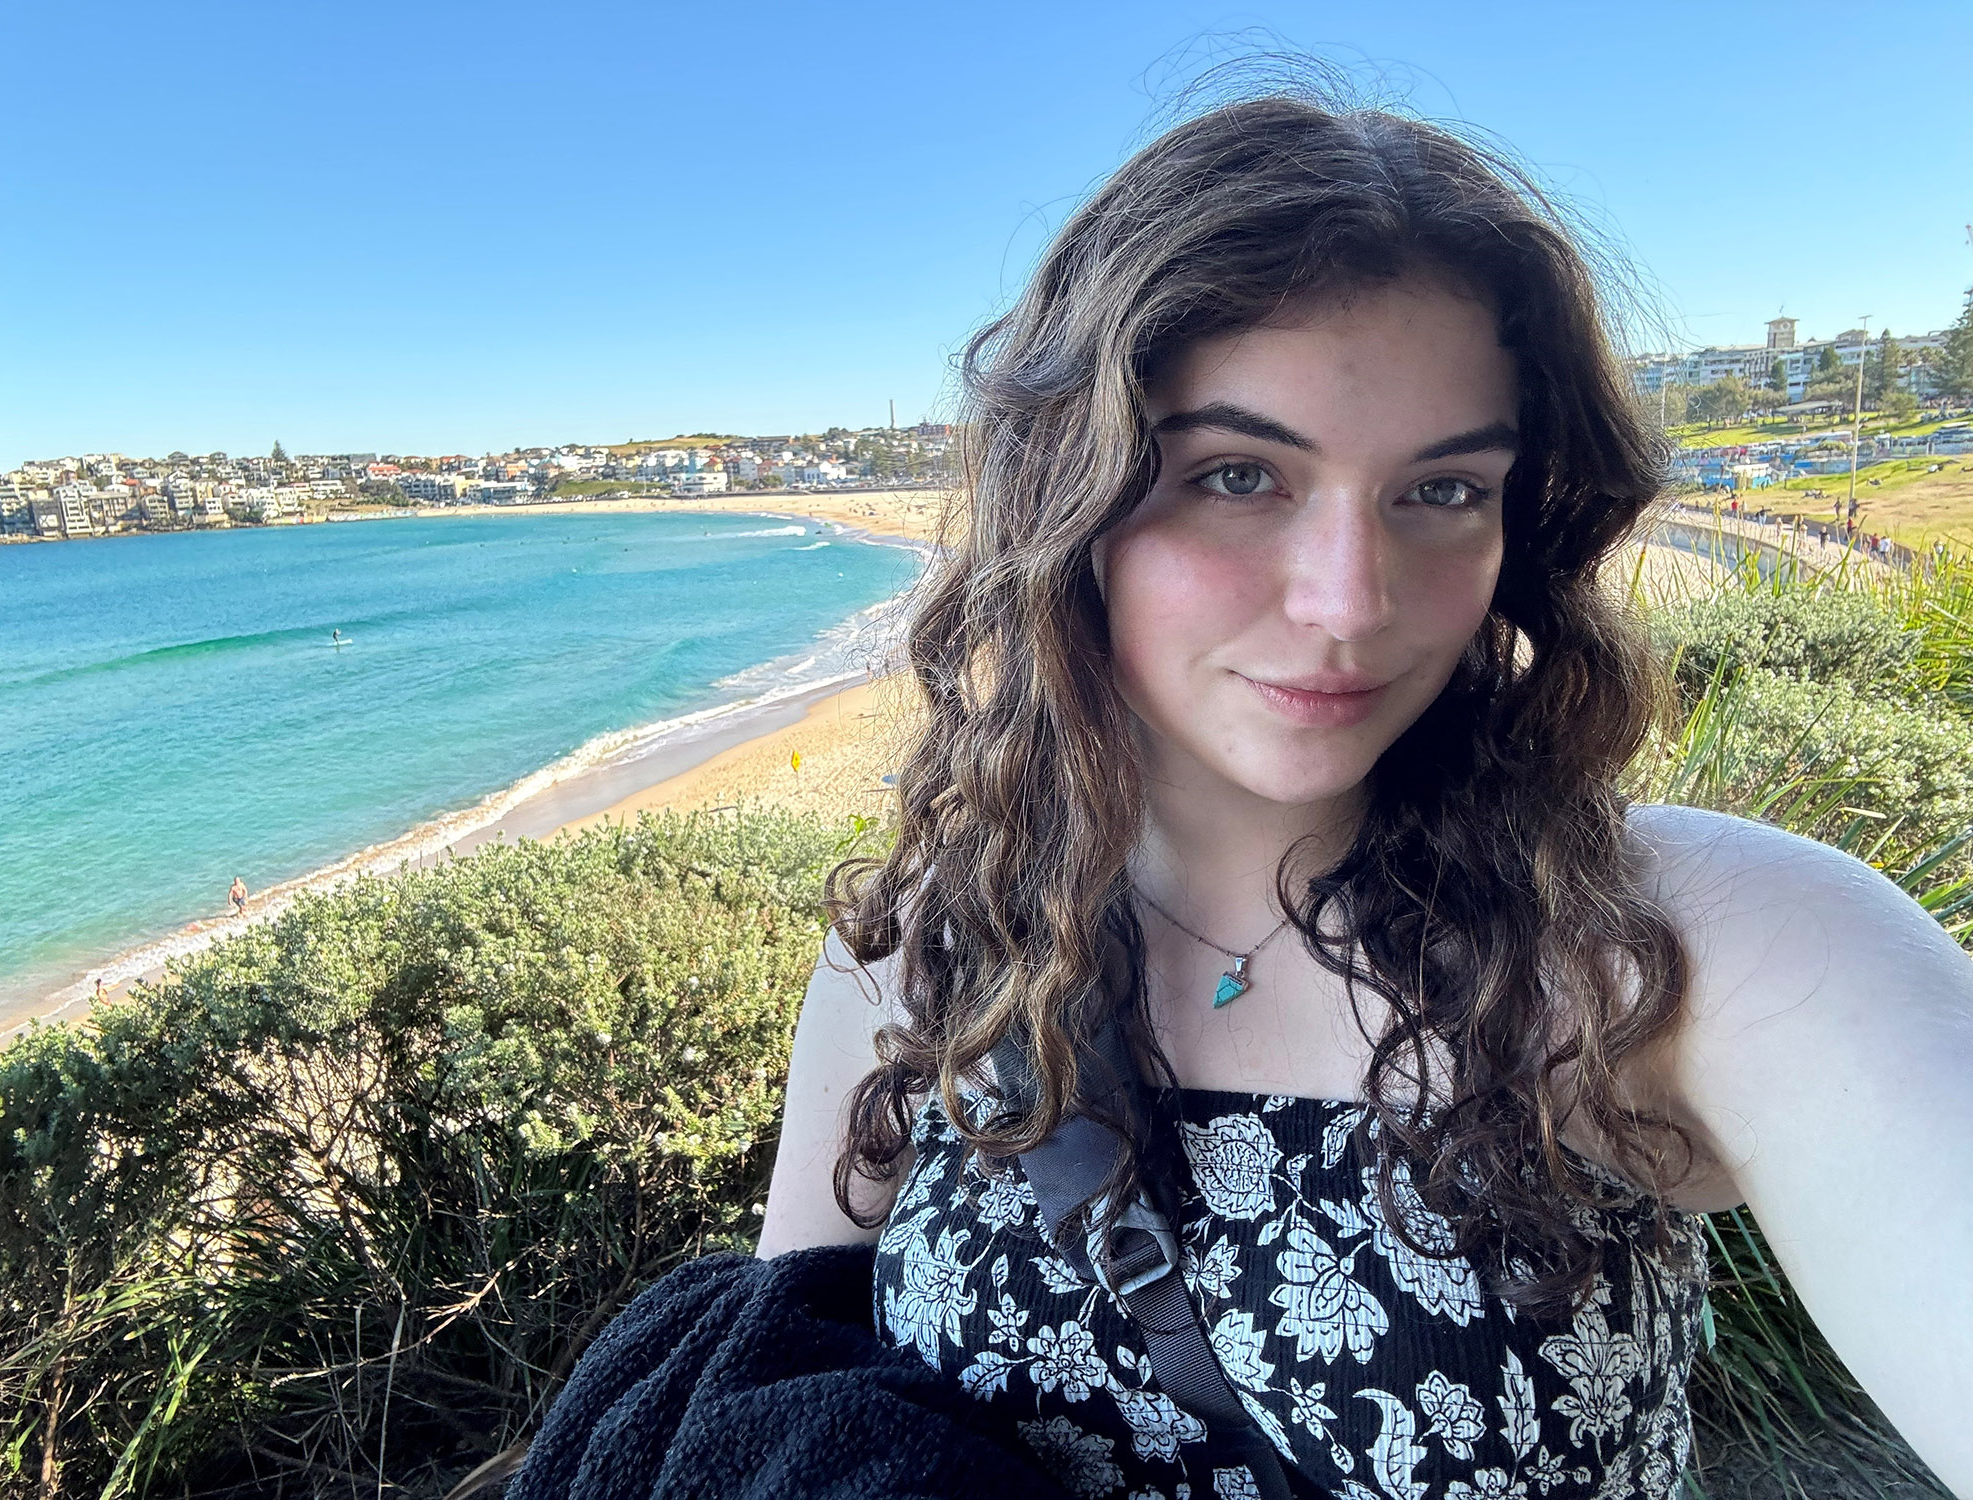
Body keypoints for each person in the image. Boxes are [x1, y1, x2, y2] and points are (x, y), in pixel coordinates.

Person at [755, 93, 1972, 1500]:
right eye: (1235, 475)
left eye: (1444, 490)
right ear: (1067, 503)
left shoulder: (1676, 951)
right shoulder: (921, 947)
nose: (1350, 604)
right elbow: (783, 1404)